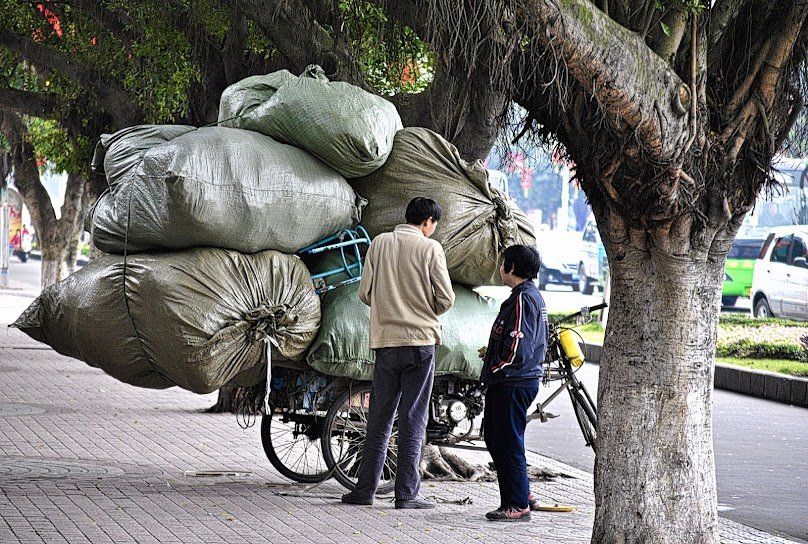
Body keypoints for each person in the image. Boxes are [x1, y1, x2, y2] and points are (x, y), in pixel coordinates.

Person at [342, 197, 455, 509]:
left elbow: (364, 292)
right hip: (420, 344)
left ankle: (364, 491)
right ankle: (406, 495)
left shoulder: (379, 243)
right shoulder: (430, 248)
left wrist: (388, 306)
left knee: (379, 419)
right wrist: (421, 307)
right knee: (412, 418)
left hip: (385, 343)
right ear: (428, 222)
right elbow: (446, 299)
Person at [480, 245, 547, 522]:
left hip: (512, 382)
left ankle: (517, 503)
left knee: (506, 441)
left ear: (512, 269)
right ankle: (522, 492)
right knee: (498, 438)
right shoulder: (527, 296)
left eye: (503, 264)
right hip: (515, 380)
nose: (500, 269)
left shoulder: (522, 299)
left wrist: (496, 367)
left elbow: (518, 348)